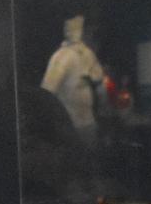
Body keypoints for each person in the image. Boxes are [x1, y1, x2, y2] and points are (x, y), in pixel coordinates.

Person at [40, 15, 106, 144]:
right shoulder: (62, 57)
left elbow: (100, 84)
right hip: (70, 127)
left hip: (87, 125)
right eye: (88, 32)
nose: (92, 37)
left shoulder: (87, 55)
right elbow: (47, 93)